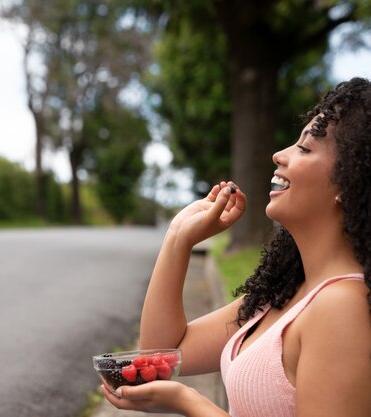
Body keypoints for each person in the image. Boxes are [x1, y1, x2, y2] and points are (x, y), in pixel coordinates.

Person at [101, 77, 371, 416]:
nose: (279, 155)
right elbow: (165, 351)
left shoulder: (343, 307)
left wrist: (189, 402)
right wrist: (179, 237)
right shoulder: (284, 293)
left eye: (304, 148)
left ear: (349, 182)